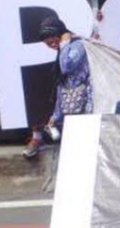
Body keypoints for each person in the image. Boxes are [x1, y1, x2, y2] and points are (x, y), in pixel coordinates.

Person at [28, 17, 93, 158]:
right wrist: (55, 116)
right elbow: (62, 86)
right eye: (48, 43)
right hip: (73, 108)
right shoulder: (64, 49)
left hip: (86, 107)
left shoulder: (78, 45)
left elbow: (66, 66)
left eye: (53, 40)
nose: (52, 44)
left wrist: (64, 43)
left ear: (60, 34)